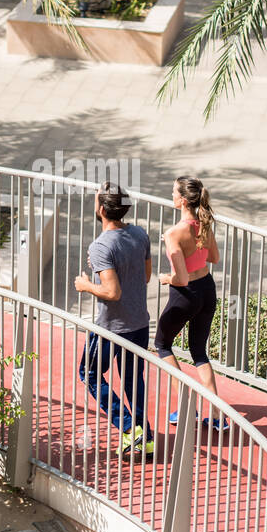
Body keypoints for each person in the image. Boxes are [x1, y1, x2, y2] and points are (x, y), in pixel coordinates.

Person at [74, 181, 154, 457]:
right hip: (140, 324)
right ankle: (147, 438)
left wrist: (86, 285)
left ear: (101, 209)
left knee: (90, 373)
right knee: (133, 381)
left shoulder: (99, 246)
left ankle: (131, 428)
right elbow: (144, 276)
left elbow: (112, 292)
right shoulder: (140, 234)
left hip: (110, 329)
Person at [154, 175, 228, 430]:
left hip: (186, 295)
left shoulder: (173, 233)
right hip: (207, 289)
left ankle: (187, 406)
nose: (171, 195)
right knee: (198, 351)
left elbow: (181, 278)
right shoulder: (205, 224)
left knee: (162, 344)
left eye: (173, 192)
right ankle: (218, 416)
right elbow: (215, 258)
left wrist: (167, 278)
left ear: (183, 200)